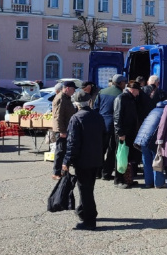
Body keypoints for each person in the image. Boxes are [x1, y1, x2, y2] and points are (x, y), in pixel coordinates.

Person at [62, 90, 104, 231]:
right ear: (89, 102)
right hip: (96, 158)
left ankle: (89, 220)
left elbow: (73, 143)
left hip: (83, 160)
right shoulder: (98, 116)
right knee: (88, 187)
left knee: (85, 190)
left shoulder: (76, 118)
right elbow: (104, 137)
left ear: (76, 104)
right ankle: (83, 211)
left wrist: (66, 161)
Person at [96, 74, 126, 180]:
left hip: (101, 124)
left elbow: (96, 108)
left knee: (101, 149)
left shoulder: (102, 92)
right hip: (113, 125)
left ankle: (97, 172)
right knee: (112, 149)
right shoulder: (121, 95)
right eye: (124, 82)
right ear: (120, 83)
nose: (125, 84)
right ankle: (106, 173)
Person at [134, 97, 167, 189]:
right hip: (152, 138)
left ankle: (148, 182)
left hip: (142, 138)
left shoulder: (153, 110)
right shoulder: (166, 112)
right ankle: (158, 183)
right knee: (156, 160)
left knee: (146, 160)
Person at [113, 80, 142, 189]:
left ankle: (127, 179)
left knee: (128, 157)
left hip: (130, 132)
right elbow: (117, 116)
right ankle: (118, 180)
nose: (138, 93)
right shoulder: (121, 98)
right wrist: (120, 133)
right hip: (123, 133)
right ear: (133, 89)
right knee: (121, 156)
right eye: (137, 91)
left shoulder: (131, 99)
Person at [52, 81, 77, 177]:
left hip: (66, 128)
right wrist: (61, 131)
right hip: (62, 130)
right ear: (67, 88)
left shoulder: (66, 98)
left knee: (65, 150)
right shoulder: (61, 98)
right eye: (73, 89)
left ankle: (63, 171)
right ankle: (56, 173)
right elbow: (58, 116)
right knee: (60, 151)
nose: (74, 91)